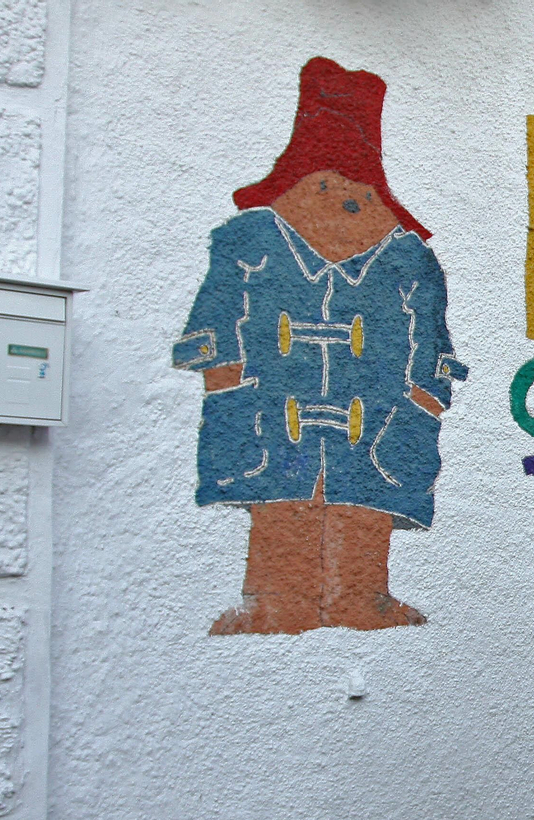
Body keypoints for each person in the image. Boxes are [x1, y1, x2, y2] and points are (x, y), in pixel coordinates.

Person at [174, 57, 467, 635]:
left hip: (378, 425)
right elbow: (216, 322)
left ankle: (363, 599)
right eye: (324, 184)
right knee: (281, 505)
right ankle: (275, 601)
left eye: (356, 189)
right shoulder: (250, 241)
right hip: (269, 417)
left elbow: (432, 343)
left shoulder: (408, 258)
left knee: (364, 504)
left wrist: (422, 402)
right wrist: (228, 387)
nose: (341, 203)